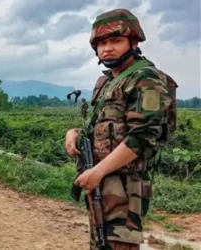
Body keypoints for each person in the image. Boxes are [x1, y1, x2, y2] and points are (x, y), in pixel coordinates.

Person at [64, 9, 174, 250]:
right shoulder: (105, 82)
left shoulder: (146, 79)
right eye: (101, 43)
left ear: (133, 42)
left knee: (120, 245)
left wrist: (98, 171)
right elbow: (105, 125)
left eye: (116, 41)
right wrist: (75, 132)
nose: (107, 48)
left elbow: (142, 138)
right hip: (100, 179)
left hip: (125, 185)